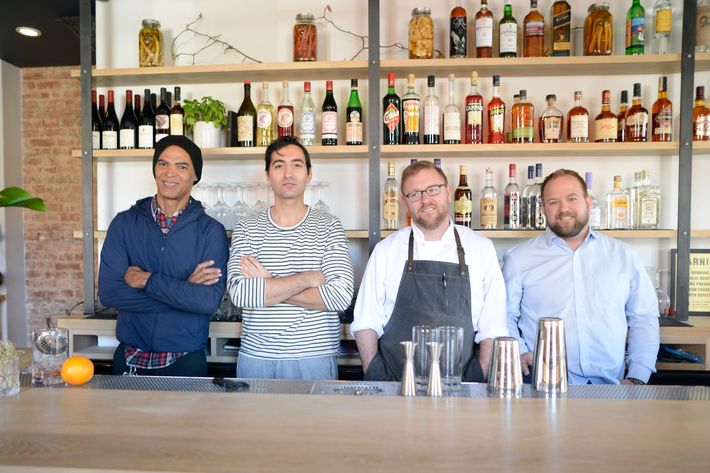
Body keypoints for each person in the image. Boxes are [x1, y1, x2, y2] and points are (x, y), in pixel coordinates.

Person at [351, 160, 508, 382]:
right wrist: (375, 373)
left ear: (447, 193)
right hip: (394, 387)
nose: (425, 200)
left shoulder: (480, 248)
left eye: (433, 190)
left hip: (462, 387)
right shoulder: (387, 250)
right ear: (405, 204)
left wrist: (479, 377)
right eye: (415, 194)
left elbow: (494, 326)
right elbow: (366, 321)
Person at [503, 169, 659, 385]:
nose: (564, 208)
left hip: (612, 389)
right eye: (553, 202)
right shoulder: (519, 258)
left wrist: (637, 377)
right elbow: (505, 316)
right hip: (544, 386)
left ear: (588, 201)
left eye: (572, 199)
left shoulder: (624, 255)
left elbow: (644, 318)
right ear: (543, 209)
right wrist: (519, 351)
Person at [98, 135, 229, 377]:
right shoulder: (124, 223)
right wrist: (184, 292)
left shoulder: (211, 231)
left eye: (182, 166)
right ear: (154, 170)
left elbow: (207, 301)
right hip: (129, 358)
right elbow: (109, 293)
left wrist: (147, 281)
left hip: (186, 361)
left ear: (195, 175)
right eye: (163, 163)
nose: (170, 173)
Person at [227, 136, 354, 380]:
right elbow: (241, 293)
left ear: (309, 174)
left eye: (296, 165)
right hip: (257, 357)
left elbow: (340, 296)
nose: (288, 173)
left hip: (314, 357)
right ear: (267, 175)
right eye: (278, 165)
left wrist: (269, 281)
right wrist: (308, 278)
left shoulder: (328, 226)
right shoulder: (247, 227)